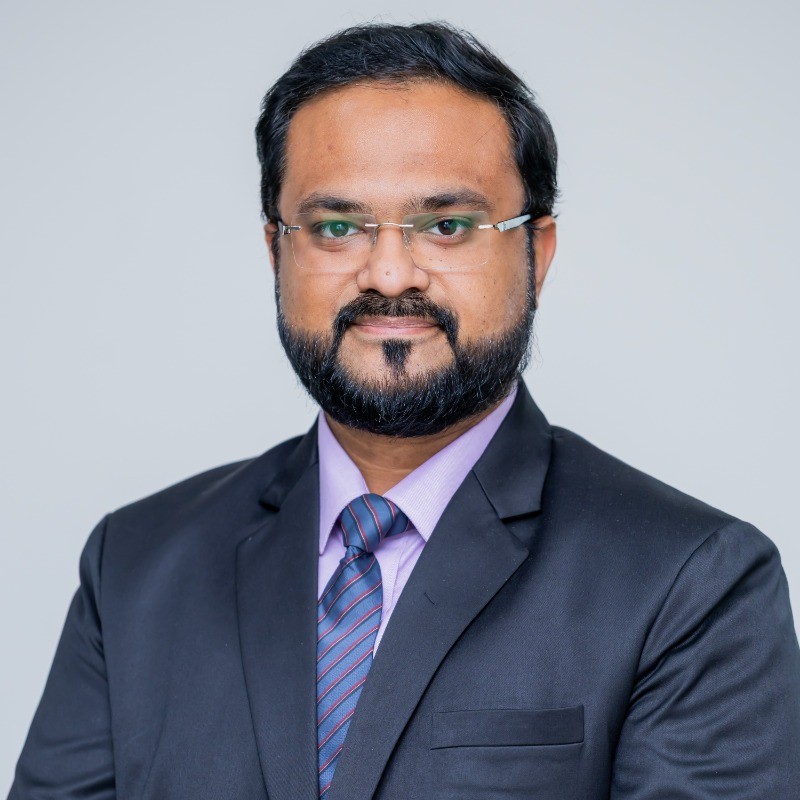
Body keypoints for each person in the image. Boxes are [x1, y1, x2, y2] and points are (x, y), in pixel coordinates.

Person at [9, 21, 800, 800]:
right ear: (276, 250)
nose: (389, 275)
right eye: (337, 227)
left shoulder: (691, 583)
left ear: (538, 251)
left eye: (447, 226)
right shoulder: (136, 565)